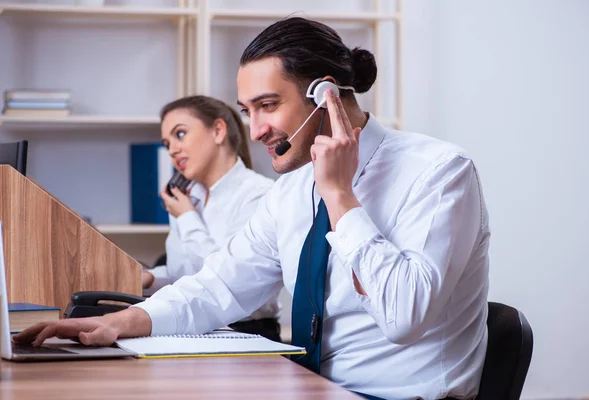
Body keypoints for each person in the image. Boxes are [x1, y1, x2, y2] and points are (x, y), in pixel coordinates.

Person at [15, 17, 490, 400]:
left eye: (268, 105)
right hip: (311, 387)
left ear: (325, 95)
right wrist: (113, 325)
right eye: (247, 110)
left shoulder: (438, 171)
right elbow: (218, 286)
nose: (256, 129)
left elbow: (405, 315)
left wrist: (341, 197)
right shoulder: (289, 192)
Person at [142, 95, 281, 342]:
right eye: (167, 142)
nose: (172, 150)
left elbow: (228, 277)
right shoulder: (186, 199)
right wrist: (153, 278)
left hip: (246, 334)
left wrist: (187, 218)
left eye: (180, 134)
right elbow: (189, 276)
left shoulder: (259, 194)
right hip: (192, 330)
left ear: (218, 131)